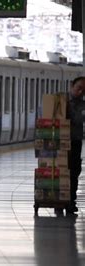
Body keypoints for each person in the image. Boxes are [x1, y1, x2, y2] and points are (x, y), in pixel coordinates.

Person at [67, 76, 85, 214]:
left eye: (83, 91)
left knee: (74, 171)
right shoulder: (61, 102)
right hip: (60, 143)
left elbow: (79, 120)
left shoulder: (83, 105)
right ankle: (59, 200)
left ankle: (70, 201)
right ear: (72, 85)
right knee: (61, 170)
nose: (80, 92)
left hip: (76, 141)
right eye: (79, 88)